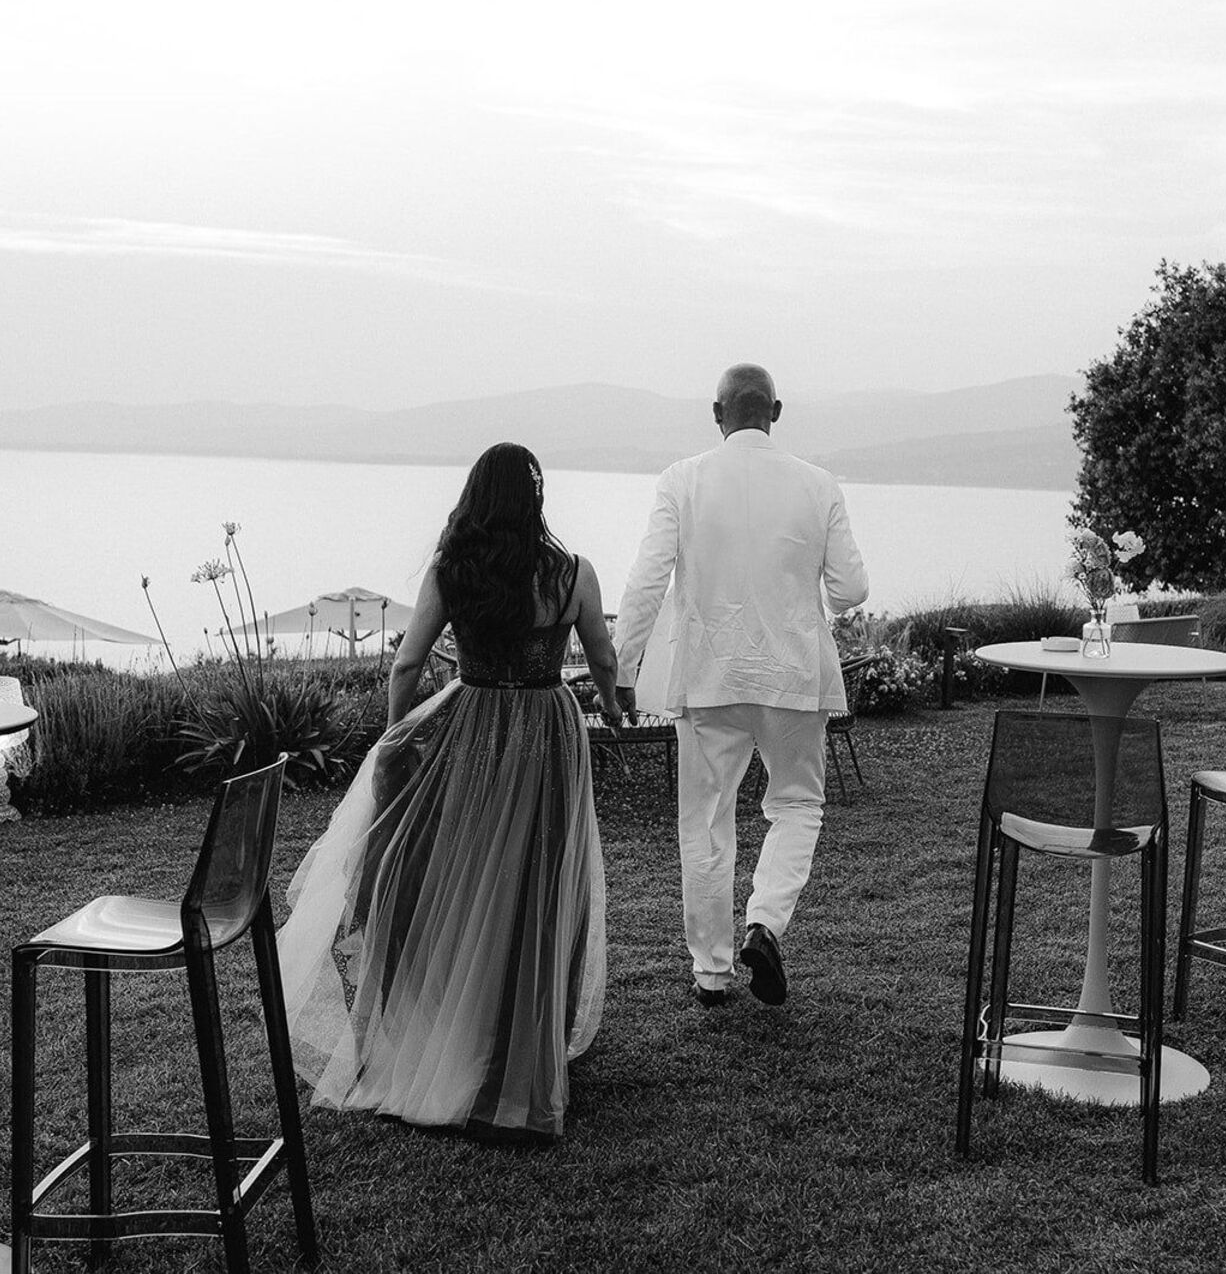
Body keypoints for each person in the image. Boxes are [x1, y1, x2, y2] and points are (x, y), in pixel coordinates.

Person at [275, 442, 622, 1141]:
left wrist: (396, 734)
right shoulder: (574, 573)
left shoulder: (452, 570)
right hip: (549, 733)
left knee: (459, 877)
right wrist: (611, 707)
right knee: (535, 884)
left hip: (471, 732)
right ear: (536, 498)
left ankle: (448, 1031)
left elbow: (407, 663)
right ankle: (522, 1044)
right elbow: (604, 657)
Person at [614, 364, 869, 1009]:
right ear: (775, 412)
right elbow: (851, 590)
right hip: (793, 676)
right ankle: (766, 924)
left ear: (716, 413)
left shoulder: (682, 480)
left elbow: (647, 581)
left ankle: (711, 972)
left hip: (708, 677)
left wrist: (622, 667)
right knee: (798, 805)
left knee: (705, 822)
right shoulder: (819, 484)